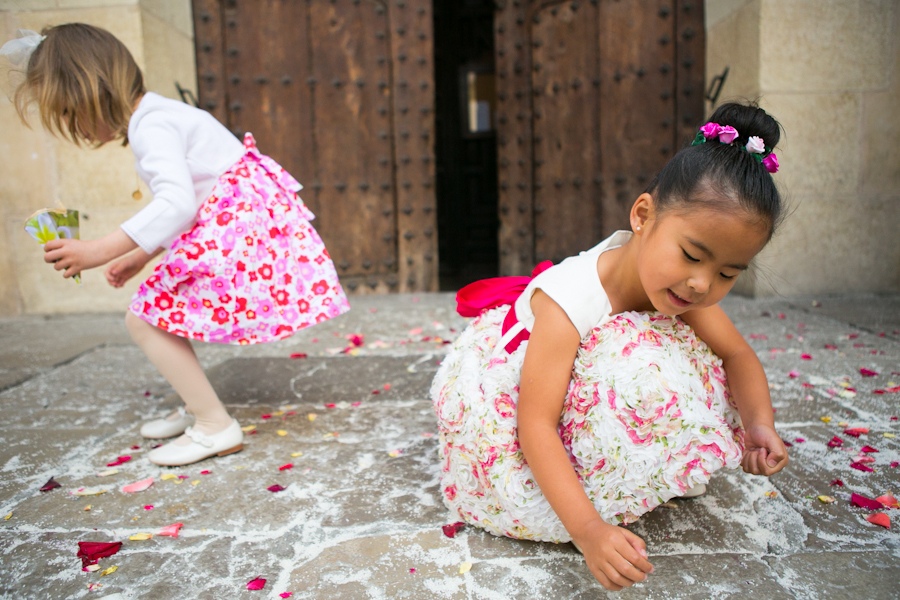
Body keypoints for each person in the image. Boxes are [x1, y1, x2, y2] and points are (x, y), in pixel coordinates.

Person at [431, 102, 789, 591]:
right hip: (526, 389)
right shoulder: (571, 299)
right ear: (643, 215)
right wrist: (590, 530)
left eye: (728, 273)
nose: (702, 284)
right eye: (691, 255)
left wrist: (758, 423)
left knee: (677, 356)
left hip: (577, 384)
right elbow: (535, 424)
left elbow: (737, 354)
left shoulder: (684, 287)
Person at [4, 24, 350, 467]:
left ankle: (213, 425)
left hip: (239, 233)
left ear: (92, 91)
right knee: (163, 314)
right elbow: (188, 205)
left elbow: (176, 201)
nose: (75, 128)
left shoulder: (154, 124)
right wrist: (137, 255)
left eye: (71, 113)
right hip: (239, 227)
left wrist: (98, 250)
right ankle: (197, 405)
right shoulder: (158, 115)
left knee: (144, 320)